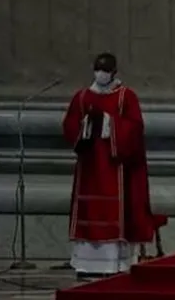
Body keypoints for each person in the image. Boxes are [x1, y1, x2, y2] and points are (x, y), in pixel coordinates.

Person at [61, 53, 155, 278]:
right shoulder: (82, 97)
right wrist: (85, 125)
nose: (101, 74)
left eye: (105, 70)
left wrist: (109, 123)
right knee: (89, 212)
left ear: (114, 72)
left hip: (115, 167)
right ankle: (86, 264)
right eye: (98, 69)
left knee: (114, 211)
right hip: (89, 167)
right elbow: (69, 126)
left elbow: (135, 129)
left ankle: (114, 264)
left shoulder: (125, 96)